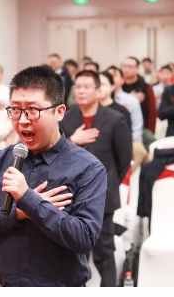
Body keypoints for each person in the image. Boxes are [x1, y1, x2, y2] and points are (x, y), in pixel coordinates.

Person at [0, 65, 107, 287]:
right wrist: (18, 213)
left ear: (59, 112)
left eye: (33, 110)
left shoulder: (87, 168)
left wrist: (29, 199)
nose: (22, 120)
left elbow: (85, 238)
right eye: (15, 110)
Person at [59, 70, 131, 287]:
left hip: (103, 196)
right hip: (71, 195)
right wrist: (73, 140)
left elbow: (124, 159)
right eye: (78, 87)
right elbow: (55, 154)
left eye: (86, 87)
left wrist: (108, 183)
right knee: (72, 251)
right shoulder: (67, 118)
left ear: (98, 90)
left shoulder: (115, 119)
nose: (81, 91)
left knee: (104, 251)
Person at [120, 57, 157, 139]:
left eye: (130, 67)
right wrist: (130, 99)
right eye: (124, 66)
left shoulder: (145, 87)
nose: (126, 69)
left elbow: (152, 111)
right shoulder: (118, 87)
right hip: (121, 126)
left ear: (137, 69)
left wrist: (151, 131)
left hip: (141, 128)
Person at [107, 66, 143, 143]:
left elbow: (137, 126)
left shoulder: (131, 100)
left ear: (122, 80)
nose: (111, 78)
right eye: (108, 76)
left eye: (114, 76)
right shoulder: (98, 101)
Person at [98, 71, 132, 136]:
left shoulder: (121, 111)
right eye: (96, 85)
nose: (99, 88)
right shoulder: (90, 110)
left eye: (102, 84)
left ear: (112, 87)